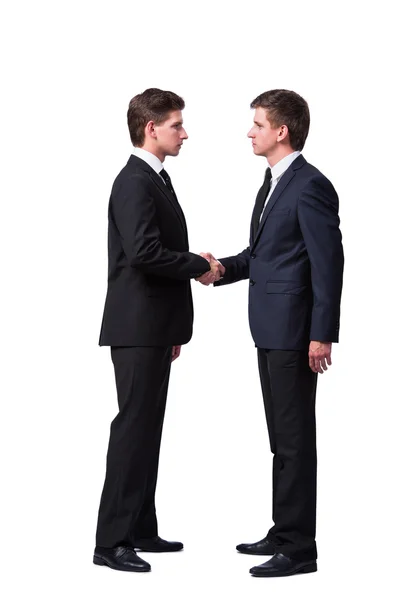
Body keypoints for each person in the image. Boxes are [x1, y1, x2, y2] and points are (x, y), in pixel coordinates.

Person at [198, 89, 344, 577]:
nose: (250, 132)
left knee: (295, 439)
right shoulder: (273, 182)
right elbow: (265, 255)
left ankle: (300, 548)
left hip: (296, 333)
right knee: (282, 439)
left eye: (257, 124)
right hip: (270, 330)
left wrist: (322, 334)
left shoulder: (310, 185)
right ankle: (284, 530)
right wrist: (220, 269)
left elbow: (328, 267)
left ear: (281, 131)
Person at [94, 88, 215, 573]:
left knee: (147, 431)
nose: (184, 133)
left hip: (153, 327)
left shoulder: (154, 179)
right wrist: (197, 264)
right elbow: (144, 253)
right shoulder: (134, 182)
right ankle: (111, 541)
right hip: (136, 326)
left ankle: (141, 528)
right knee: (133, 430)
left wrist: (172, 329)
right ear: (151, 128)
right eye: (176, 124)